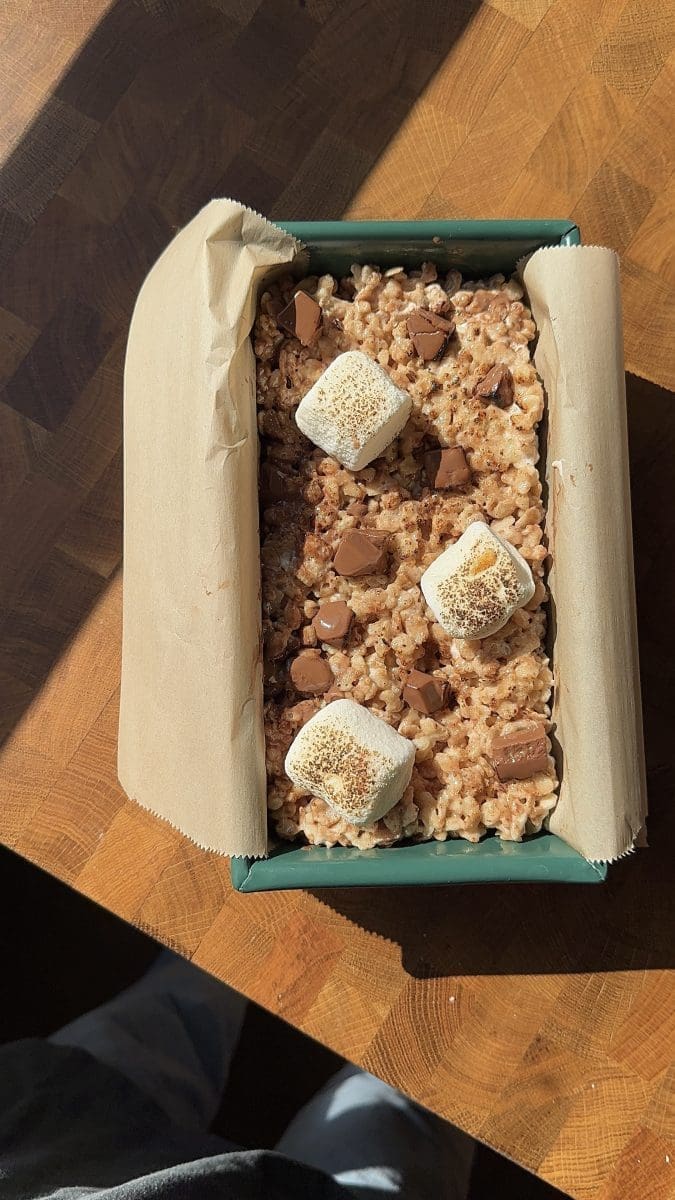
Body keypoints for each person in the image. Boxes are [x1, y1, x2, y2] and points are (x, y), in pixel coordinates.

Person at [0, 950, 474, 1198]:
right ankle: (467, 997)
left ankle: (252, 943)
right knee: (421, 1081)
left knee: (183, 999)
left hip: (46, 1131)